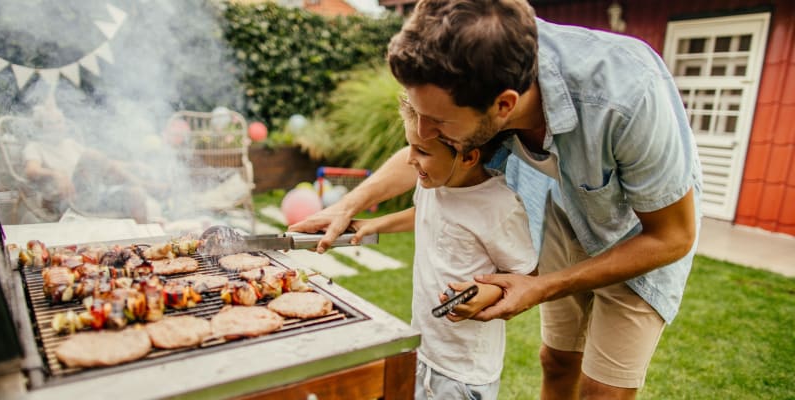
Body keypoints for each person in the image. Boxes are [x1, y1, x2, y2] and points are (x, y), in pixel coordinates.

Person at [290, 1, 703, 399]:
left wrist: (542, 286)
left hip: (638, 234)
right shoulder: (479, 66)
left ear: (504, 105)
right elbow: (427, 150)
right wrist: (349, 205)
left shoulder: (627, 96)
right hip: (563, 207)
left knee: (603, 392)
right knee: (557, 361)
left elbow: (673, 236)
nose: (425, 131)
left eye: (439, 122)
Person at [349, 99, 537, 400]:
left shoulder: (499, 207)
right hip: (424, 349)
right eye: (410, 146)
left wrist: (486, 293)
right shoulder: (434, 184)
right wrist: (375, 224)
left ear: (467, 157)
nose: (410, 159)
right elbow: (424, 216)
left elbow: (525, 273)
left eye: (422, 151)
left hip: (463, 372)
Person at [22, 104, 162, 223]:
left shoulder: (70, 144)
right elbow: (31, 170)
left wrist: (132, 164)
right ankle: (143, 184)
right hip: (62, 200)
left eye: (60, 121)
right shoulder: (35, 146)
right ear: (40, 126)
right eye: (52, 123)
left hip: (89, 196)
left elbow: (103, 163)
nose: (59, 126)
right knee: (91, 155)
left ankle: (145, 245)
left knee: (135, 194)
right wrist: (56, 173)